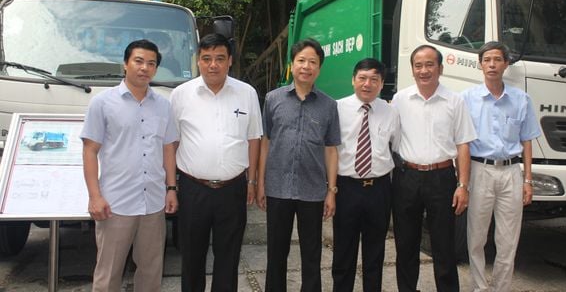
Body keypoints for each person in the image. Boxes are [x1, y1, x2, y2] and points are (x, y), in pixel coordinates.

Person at [81, 39, 178, 292]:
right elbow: (90, 150)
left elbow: (168, 148)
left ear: (156, 69)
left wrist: (171, 188)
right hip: (116, 204)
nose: (144, 68)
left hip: (153, 202)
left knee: (151, 272)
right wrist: (94, 196)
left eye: (151, 63)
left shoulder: (164, 106)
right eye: (138, 61)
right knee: (108, 274)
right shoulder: (102, 103)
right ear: (125, 64)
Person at [170, 32, 262, 292]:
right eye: (207, 58)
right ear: (198, 61)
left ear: (230, 61)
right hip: (193, 189)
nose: (213, 65)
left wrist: (252, 181)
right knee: (191, 257)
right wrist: (171, 187)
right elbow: (171, 143)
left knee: (228, 258)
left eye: (220, 58)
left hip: (233, 189)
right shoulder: (180, 95)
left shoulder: (246, 93)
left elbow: (254, 138)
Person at [257, 38, 341, 292]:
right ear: (292, 65)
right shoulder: (273, 99)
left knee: (312, 254)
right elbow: (265, 142)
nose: (306, 66)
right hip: (278, 188)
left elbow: (331, 149)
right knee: (276, 252)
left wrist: (331, 191)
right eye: (301, 60)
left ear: (319, 68)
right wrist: (260, 183)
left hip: (312, 191)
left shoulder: (329, 105)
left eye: (312, 62)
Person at [390, 44, 476, 292]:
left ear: (440, 68)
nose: (424, 70)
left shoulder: (455, 101)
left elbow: (463, 145)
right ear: (412, 69)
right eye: (418, 65)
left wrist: (463, 185)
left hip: (442, 178)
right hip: (407, 177)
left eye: (430, 64)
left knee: (444, 245)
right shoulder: (400, 100)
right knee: (406, 244)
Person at [461, 41, 541, 292]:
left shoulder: (521, 99)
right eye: (487, 60)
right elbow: (461, 143)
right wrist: (462, 181)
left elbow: (527, 141)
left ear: (506, 64)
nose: (492, 65)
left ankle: (501, 287)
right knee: (477, 236)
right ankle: (479, 287)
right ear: (480, 64)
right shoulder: (467, 99)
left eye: (497, 59)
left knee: (508, 239)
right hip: (479, 171)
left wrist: (528, 180)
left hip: (511, 172)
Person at [333, 58, 400, 292]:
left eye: (374, 79)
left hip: (379, 189)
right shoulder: (337, 108)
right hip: (346, 188)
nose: (367, 84)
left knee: (375, 252)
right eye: (362, 78)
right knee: (343, 251)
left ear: (381, 83)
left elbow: (396, 146)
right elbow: (329, 150)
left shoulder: (390, 112)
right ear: (353, 80)